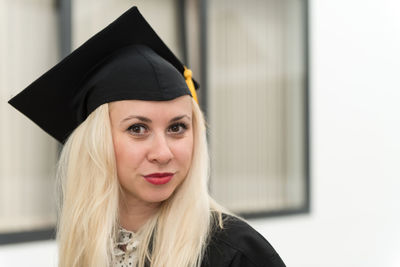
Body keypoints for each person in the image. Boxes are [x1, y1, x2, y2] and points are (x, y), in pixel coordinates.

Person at [8, 6, 286, 267]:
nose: (163, 153)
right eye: (137, 129)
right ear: (96, 142)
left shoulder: (235, 254)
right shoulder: (90, 247)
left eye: (177, 128)